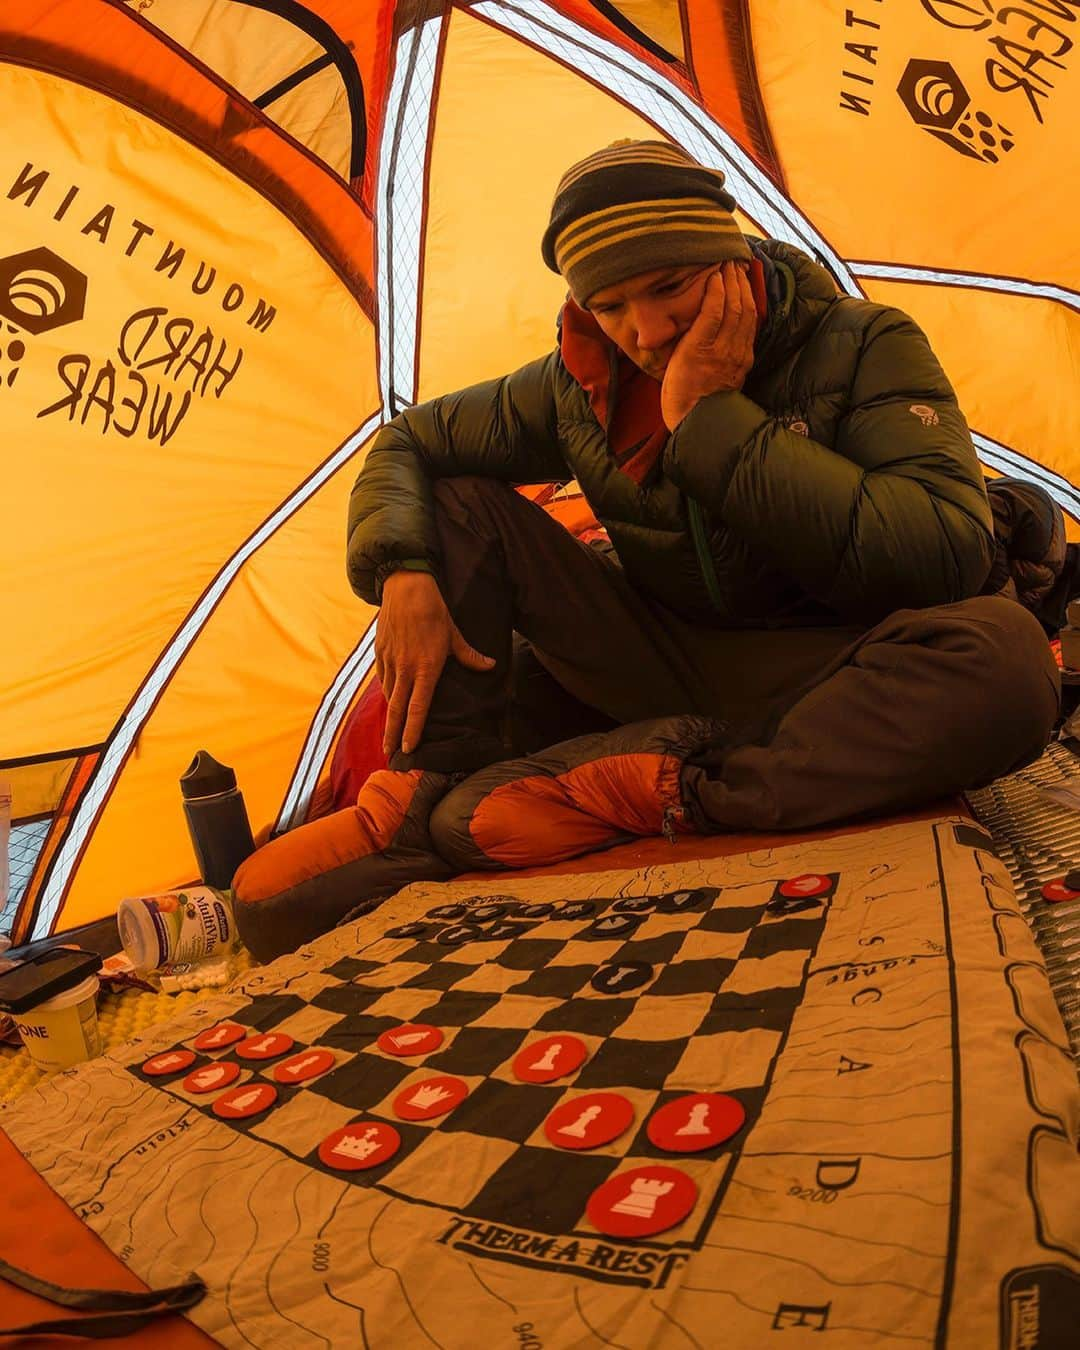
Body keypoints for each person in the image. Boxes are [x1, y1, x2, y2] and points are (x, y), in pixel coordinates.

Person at [233, 139, 1059, 961]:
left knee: (1011, 664)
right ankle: (434, 802)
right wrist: (402, 568)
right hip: (659, 651)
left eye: (671, 287)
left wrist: (710, 419)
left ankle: (659, 785)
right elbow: (411, 438)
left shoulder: (864, 341)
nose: (647, 330)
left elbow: (944, 555)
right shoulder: (577, 382)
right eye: (610, 304)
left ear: (729, 256)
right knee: (454, 505)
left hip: (837, 666)